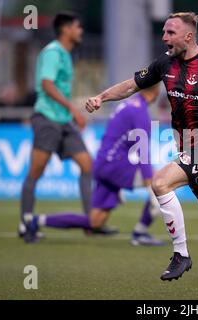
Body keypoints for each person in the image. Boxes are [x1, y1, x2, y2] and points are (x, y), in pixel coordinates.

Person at [84, 12, 198, 283]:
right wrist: (101, 97)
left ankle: (181, 254)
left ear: (188, 36)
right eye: (164, 32)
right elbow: (132, 86)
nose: (164, 37)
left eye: (170, 33)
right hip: (187, 144)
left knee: (161, 183)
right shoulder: (165, 63)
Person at [23, 85, 165, 246]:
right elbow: (143, 154)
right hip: (114, 166)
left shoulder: (130, 105)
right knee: (162, 182)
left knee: (95, 221)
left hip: (104, 163)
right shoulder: (140, 113)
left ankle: (36, 221)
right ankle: (140, 232)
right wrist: (151, 188)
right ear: (156, 91)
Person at [20, 12, 97, 241]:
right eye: (77, 27)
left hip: (63, 121)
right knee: (36, 171)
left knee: (86, 164)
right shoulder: (53, 52)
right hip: (47, 119)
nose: (81, 30)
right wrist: (74, 109)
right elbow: (46, 84)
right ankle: (25, 224)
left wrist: (70, 112)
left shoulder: (65, 54)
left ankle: (89, 223)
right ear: (66, 29)